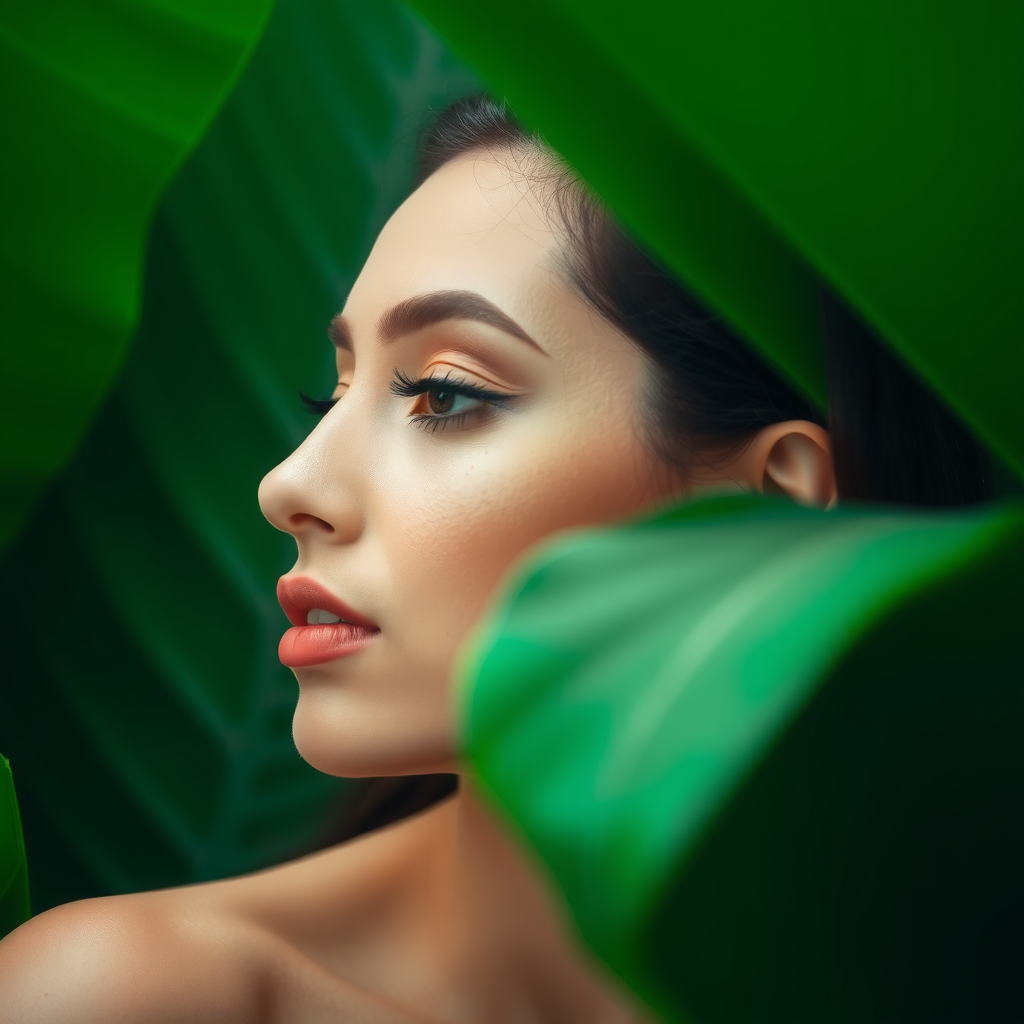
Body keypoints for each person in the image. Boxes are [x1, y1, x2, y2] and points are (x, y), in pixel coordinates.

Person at [0, 95, 988, 1023]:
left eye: (440, 392)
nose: (289, 484)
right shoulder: (131, 995)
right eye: (331, 394)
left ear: (769, 497)